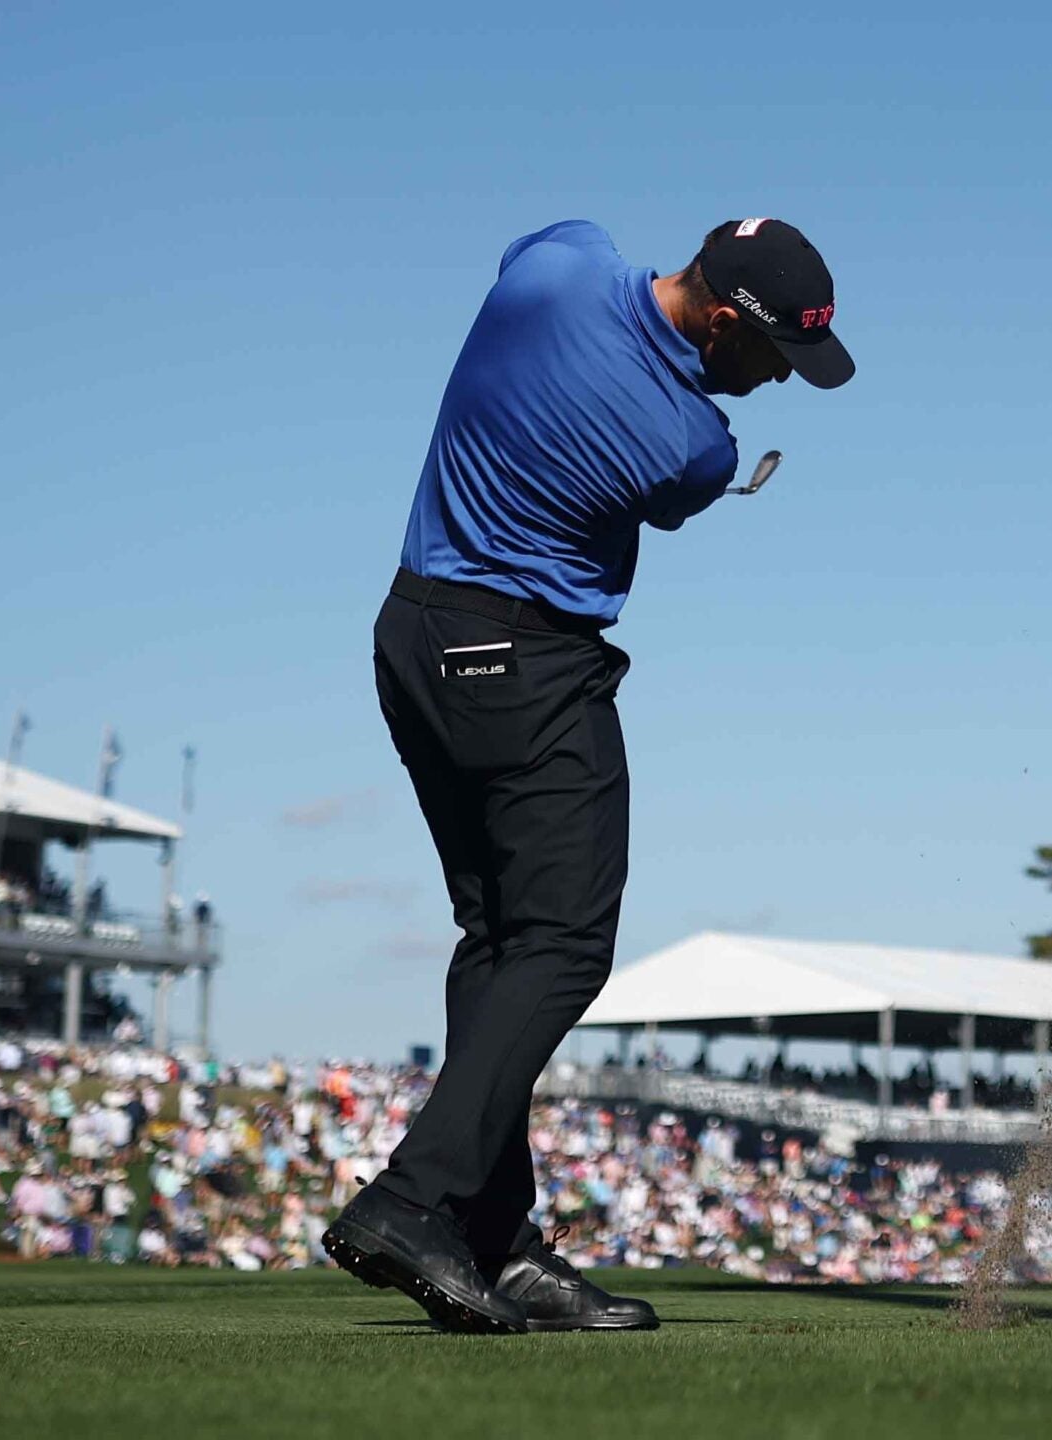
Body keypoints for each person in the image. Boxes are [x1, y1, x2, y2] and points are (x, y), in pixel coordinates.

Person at [324, 216, 852, 1336]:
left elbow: (524, 253)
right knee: (563, 943)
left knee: (500, 941)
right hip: (525, 661)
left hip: (412, 634)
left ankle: (490, 1243)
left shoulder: (559, 264)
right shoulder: (693, 445)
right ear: (722, 322)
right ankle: (412, 1199)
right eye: (770, 358)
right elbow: (669, 492)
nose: (775, 382)